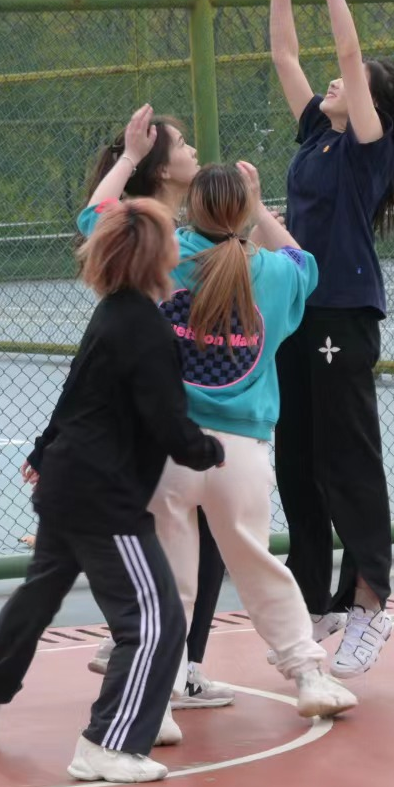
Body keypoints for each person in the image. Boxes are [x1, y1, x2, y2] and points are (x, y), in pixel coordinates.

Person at [81, 116, 357, 721]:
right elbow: (303, 259)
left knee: (170, 583)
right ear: (242, 212)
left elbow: (95, 218)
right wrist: (256, 207)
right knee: (259, 567)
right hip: (242, 452)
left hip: (167, 451)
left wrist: (128, 159)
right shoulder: (276, 274)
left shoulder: (164, 255)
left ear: (192, 212)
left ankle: (159, 696)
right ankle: (307, 675)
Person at [0, 198, 225, 784]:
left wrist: (42, 450)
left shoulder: (112, 313)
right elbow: (167, 422)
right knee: (156, 622)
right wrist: (209, 450)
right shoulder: (146, 327)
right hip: (105, 498)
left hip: (66, 483)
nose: (179, 241)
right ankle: (107, 743)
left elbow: (76, 393)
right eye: (171, 234)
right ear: (156, 253)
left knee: (40, 592)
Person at [268, 0, 394, 679]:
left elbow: (344, 53)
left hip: (344, 315)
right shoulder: (316, 135)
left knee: (347, 458)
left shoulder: (369, 148)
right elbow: (285, 54)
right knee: (297, 458)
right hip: (297, 313)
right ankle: (314, 599)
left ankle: (370, 601)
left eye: (352, 81)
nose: (337, 82)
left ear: (373, 103)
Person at [78, 117, 234, 711]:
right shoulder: (159, 234)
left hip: (170, 406)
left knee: (181, 535)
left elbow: (93, 215)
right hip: (177, 410)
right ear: (164, 168)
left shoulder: (170, 233)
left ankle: (157, 651)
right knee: (190, 537)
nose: (195, 149)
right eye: (184, 144)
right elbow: (93, 218)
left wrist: (129, 156)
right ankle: (158, 654)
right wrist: (131, 154)